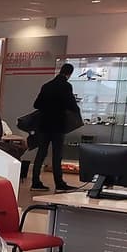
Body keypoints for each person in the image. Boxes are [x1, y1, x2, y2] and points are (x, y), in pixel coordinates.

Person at [31, 63, 80, 191]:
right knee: (57, 154)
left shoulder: (47, 85)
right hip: (58, 125)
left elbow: (36, 104)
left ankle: (35, 182)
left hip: (44, 124)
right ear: (69, 74)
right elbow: (72, 105)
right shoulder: (66, 86)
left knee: (41, 153)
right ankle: (59, 183)